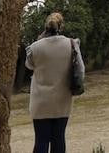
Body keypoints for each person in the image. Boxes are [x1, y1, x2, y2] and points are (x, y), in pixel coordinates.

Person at [25, 12, 84, 153]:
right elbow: (81, 69)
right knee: (58, 138)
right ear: (61, 26)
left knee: (41, 139)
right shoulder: (72, 44)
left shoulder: (35, 47)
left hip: (40, 101)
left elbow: (29, 65)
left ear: (46, 27)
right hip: (62, 99)